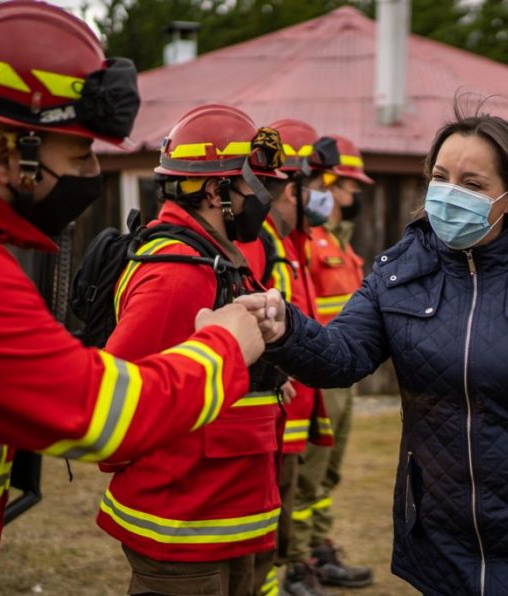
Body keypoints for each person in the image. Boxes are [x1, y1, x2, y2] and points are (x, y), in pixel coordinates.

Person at [0, 2, 264, 593]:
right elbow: (102, 414)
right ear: (5, 156)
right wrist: (226, 343)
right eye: (81, 153)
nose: (92, 171)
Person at [239, 106, 508, 595]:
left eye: (471, 184)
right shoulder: (400, 272)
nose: (450, 194)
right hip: (438, 539)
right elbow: (341, 355)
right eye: (440, 177)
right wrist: (285, 328)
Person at [96, 104, 286, 596]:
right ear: (214, 190)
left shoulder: (217, 260)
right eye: (253, 185)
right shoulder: (178, 274)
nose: (264, 198)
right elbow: (116, 396)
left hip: (220, 511)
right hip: (182, 521)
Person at [237, 118, 337, 596]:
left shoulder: (290, 243)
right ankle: (283, 571)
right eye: (307, 184)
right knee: (271, 506)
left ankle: (287, 569)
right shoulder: (258, 242)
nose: (314, 195)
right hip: (270, 403)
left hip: (292, 398)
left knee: (286, 494)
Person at [293, 134, 374, 589]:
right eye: (350, 187)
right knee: (309, 471)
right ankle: (298, 557)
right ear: (329, 183)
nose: (354, 196)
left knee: (330, 471)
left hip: (344, 373)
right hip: (318, 374)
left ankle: (319, 548)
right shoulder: (308, 240)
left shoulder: (342, 243)